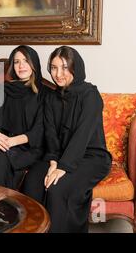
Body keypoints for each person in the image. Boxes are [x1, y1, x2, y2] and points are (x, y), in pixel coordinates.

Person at [21, 46, 112, 233]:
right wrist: (54, 161)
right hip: (58, 155)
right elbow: (50, 133)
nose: (58, 74)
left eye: (64, 67)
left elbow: (82, 134)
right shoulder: (51, 98)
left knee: (57, 187)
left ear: (75, 67)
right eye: (54, 68)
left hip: (90, 156)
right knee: (32, 182)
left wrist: (64, 167)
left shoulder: (90, 95)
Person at [0, 46, 46, 190]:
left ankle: (0, 205)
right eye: (16, 62)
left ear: (34, 64)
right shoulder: (2, 89)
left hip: (29, 148)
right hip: (1, 143)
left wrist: (7, 142)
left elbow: (39, 131)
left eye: (26, 61)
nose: (21, 66)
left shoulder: (45, 94)